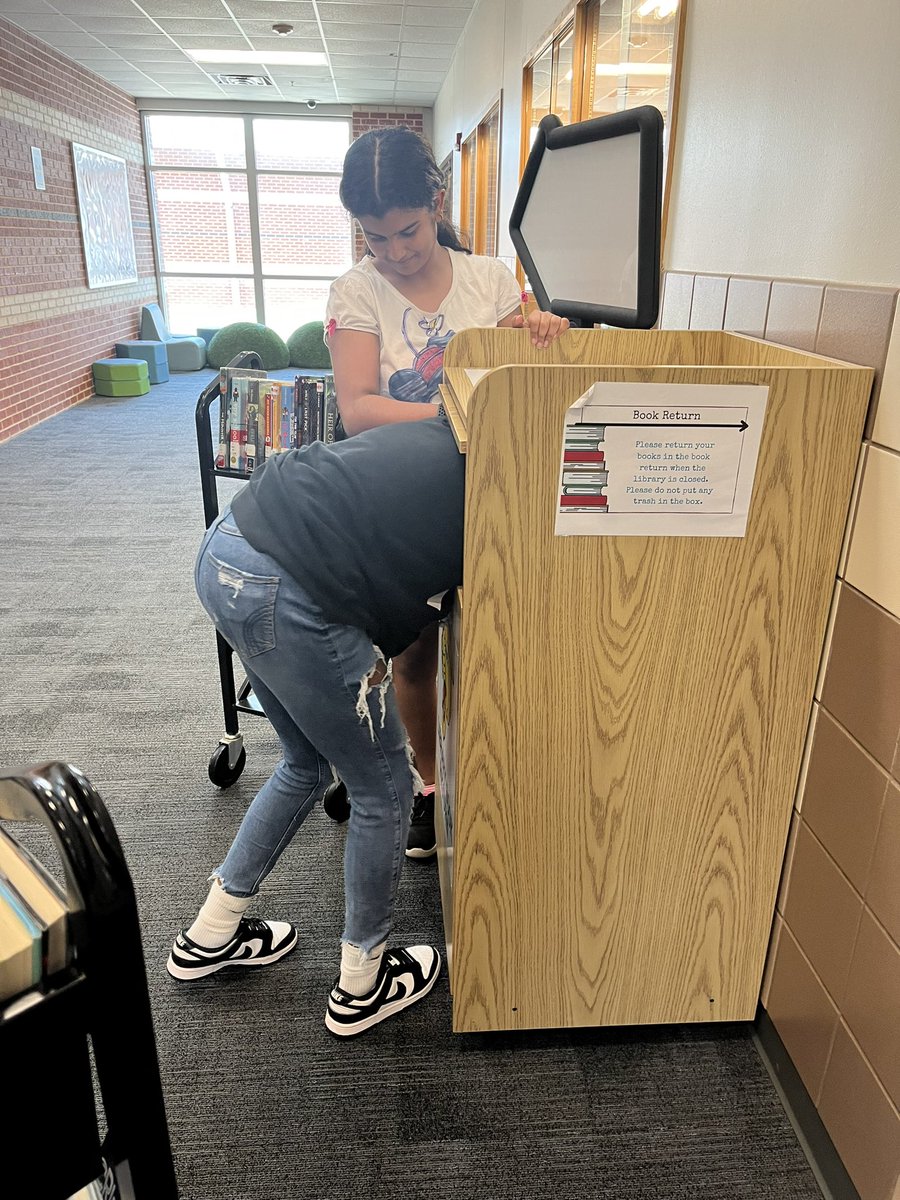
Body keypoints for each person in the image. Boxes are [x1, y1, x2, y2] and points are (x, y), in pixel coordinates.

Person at [168, 417, 465, 1036]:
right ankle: (364, 983)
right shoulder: (494, 492)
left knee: (305, 763)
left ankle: (212, 932)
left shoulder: (441, 434)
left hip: (226, 546)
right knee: (382, 787)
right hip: (289, 589)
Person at [325, 126, 568, 859]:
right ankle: (428, 785)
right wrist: (460, 406)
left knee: (500, 645)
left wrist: (545, 333)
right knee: (415, 657)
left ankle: (503, 783)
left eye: (408, 231)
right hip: (400, 500)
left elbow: (521, 383)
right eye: (376, 238)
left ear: (436, 205)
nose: (395, 252)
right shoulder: (354, 291)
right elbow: (359, 407)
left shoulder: (492, 279)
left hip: (493, 496)